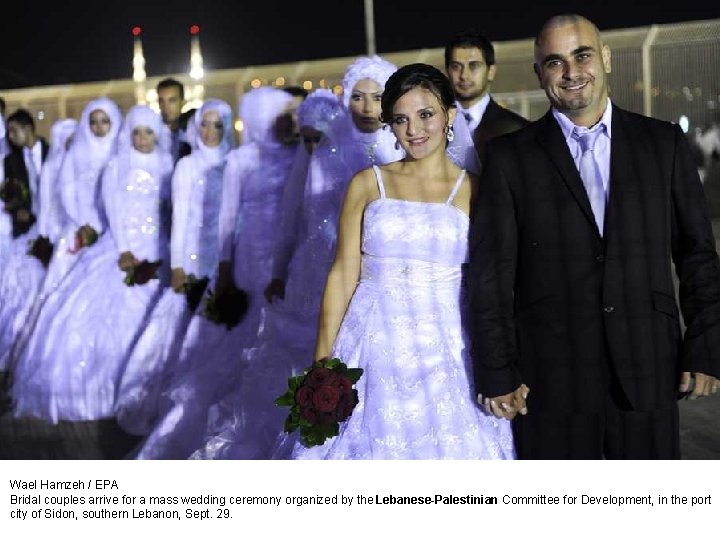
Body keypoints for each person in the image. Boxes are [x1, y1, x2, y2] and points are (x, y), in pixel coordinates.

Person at [469, 14, 720, 459]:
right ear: (538, 73)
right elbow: (493, 276)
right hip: (549, 377)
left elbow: (697, 254)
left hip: (648, 366)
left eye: (582, 55)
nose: (571, 72)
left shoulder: (663, 144)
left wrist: (705, 345)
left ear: (604, 57)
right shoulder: (510, 159)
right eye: (554, 62)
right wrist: (497, 369)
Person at [279, 63, 515, 460]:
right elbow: (343, 274)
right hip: (371, 344)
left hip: (448, 350)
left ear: (449, 116)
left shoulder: (474, 190)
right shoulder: (367, 183)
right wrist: (322, 365)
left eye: (426, 115)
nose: (414, 130)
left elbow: (492, 283)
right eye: (401, 119)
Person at [190, 56, 404, 460]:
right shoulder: (321, 148)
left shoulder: (401, 148)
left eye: (377, 97)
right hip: (315, 276)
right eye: (357, 96)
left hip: (377, 278)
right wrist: (279, 271)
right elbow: (293, 215)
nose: (366, 106)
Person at [10, 105, 173, 423]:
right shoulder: (117, 165)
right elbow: (110, 208)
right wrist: (124, 248)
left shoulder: (167, 164)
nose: (141, 139)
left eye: (147, 132)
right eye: (136, 132)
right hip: (119, 246)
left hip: (158, 248)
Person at [115, 99, 234, 446]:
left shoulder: (235, 162)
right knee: (183, 338)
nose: (210, 132)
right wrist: (180, 264)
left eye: (217, 125)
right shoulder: (187, 166)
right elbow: (180, 219)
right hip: (194, 262)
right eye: (204, 125)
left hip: (226, 262)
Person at [0, 119, 77, 374]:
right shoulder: (15, 161)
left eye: (16, 129)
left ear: (30, 127)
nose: (12, 135)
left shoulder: (56, 156)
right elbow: (22, 197)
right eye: (9, 131)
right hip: (38, 227)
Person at [445, 29, 528, 164]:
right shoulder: (432, 126)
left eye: (474, 66)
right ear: (447, 71)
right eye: (456, 66)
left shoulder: (518, 130)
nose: (464, 75)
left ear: (491, 72)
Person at [3, 108, 49, 237]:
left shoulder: (52, 153)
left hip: (52, 221)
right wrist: (17, 210)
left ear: (27, 128)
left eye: (13, 131)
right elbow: (9, 193)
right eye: (9, 132)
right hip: (26, 224)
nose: (10, 136)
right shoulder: (11, 161)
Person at [156, 78, 192, 163]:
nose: (166, 106)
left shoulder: (194, 133)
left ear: (182, 102)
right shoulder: (151, 134)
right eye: (162, 101)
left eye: (172, 100)